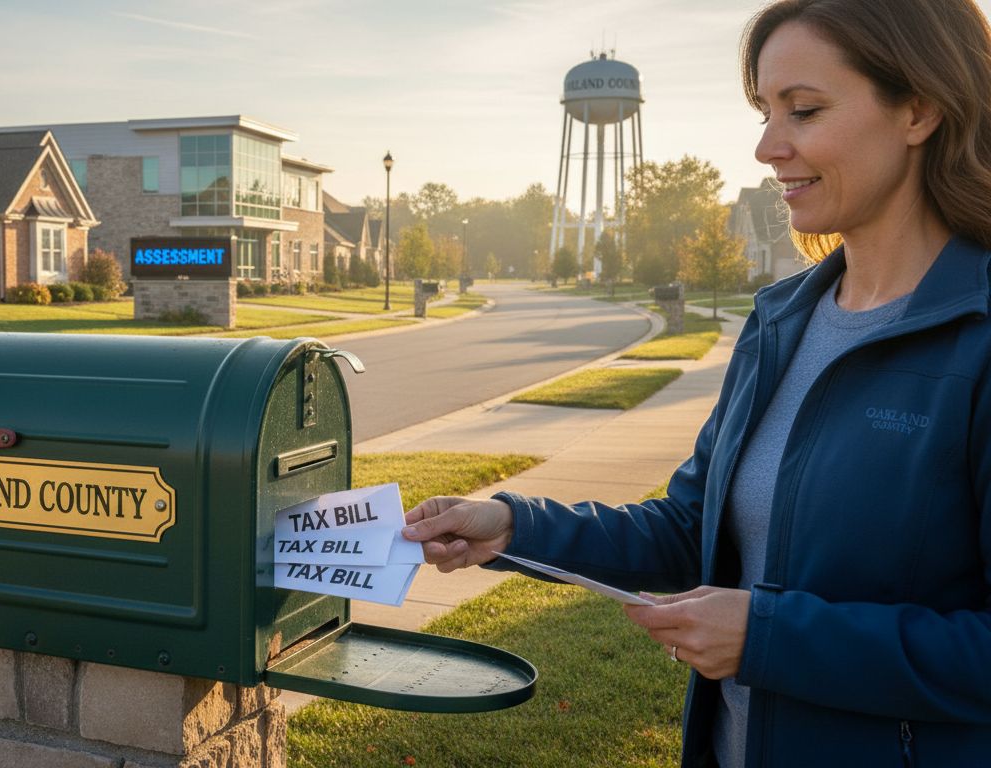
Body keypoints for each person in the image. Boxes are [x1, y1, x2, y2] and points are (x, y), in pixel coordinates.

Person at [400, 1, 991, 765]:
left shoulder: (976, 337)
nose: (766, 148)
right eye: (764, 111)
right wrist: (515, 525)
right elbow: (692, 528)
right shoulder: (782, 322)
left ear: (920, 110)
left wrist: (770, 637)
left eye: (804, 111)